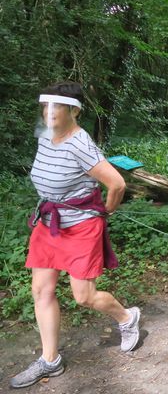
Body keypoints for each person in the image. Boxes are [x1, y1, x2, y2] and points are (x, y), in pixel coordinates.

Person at [10, 82, 140, 389]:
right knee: (42, 291)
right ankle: (50, 360)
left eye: (57, 107)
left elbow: (117, 183)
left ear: (74, 110)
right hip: (49, 222)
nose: (49, 113)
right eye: (46, 107)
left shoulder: (80, 143)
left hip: (81, 227)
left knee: (84, 297)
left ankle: (126, 318)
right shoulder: (45, 135)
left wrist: (106, 210)